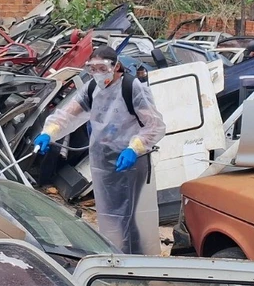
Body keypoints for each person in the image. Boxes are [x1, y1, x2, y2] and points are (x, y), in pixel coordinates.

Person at [32, 47, 165, 254]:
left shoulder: (132, 87)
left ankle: (136, 260)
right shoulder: (92, 89)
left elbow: (154, 125)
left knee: (129, 216)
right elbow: (68, 115)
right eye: (92, 69)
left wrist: (134, 148)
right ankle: (116, 256)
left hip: (130, 161)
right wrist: (49, 132)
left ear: (116, 67)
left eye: (102, 68)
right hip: (103, 161)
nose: (97, 73)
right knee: (110, 216)